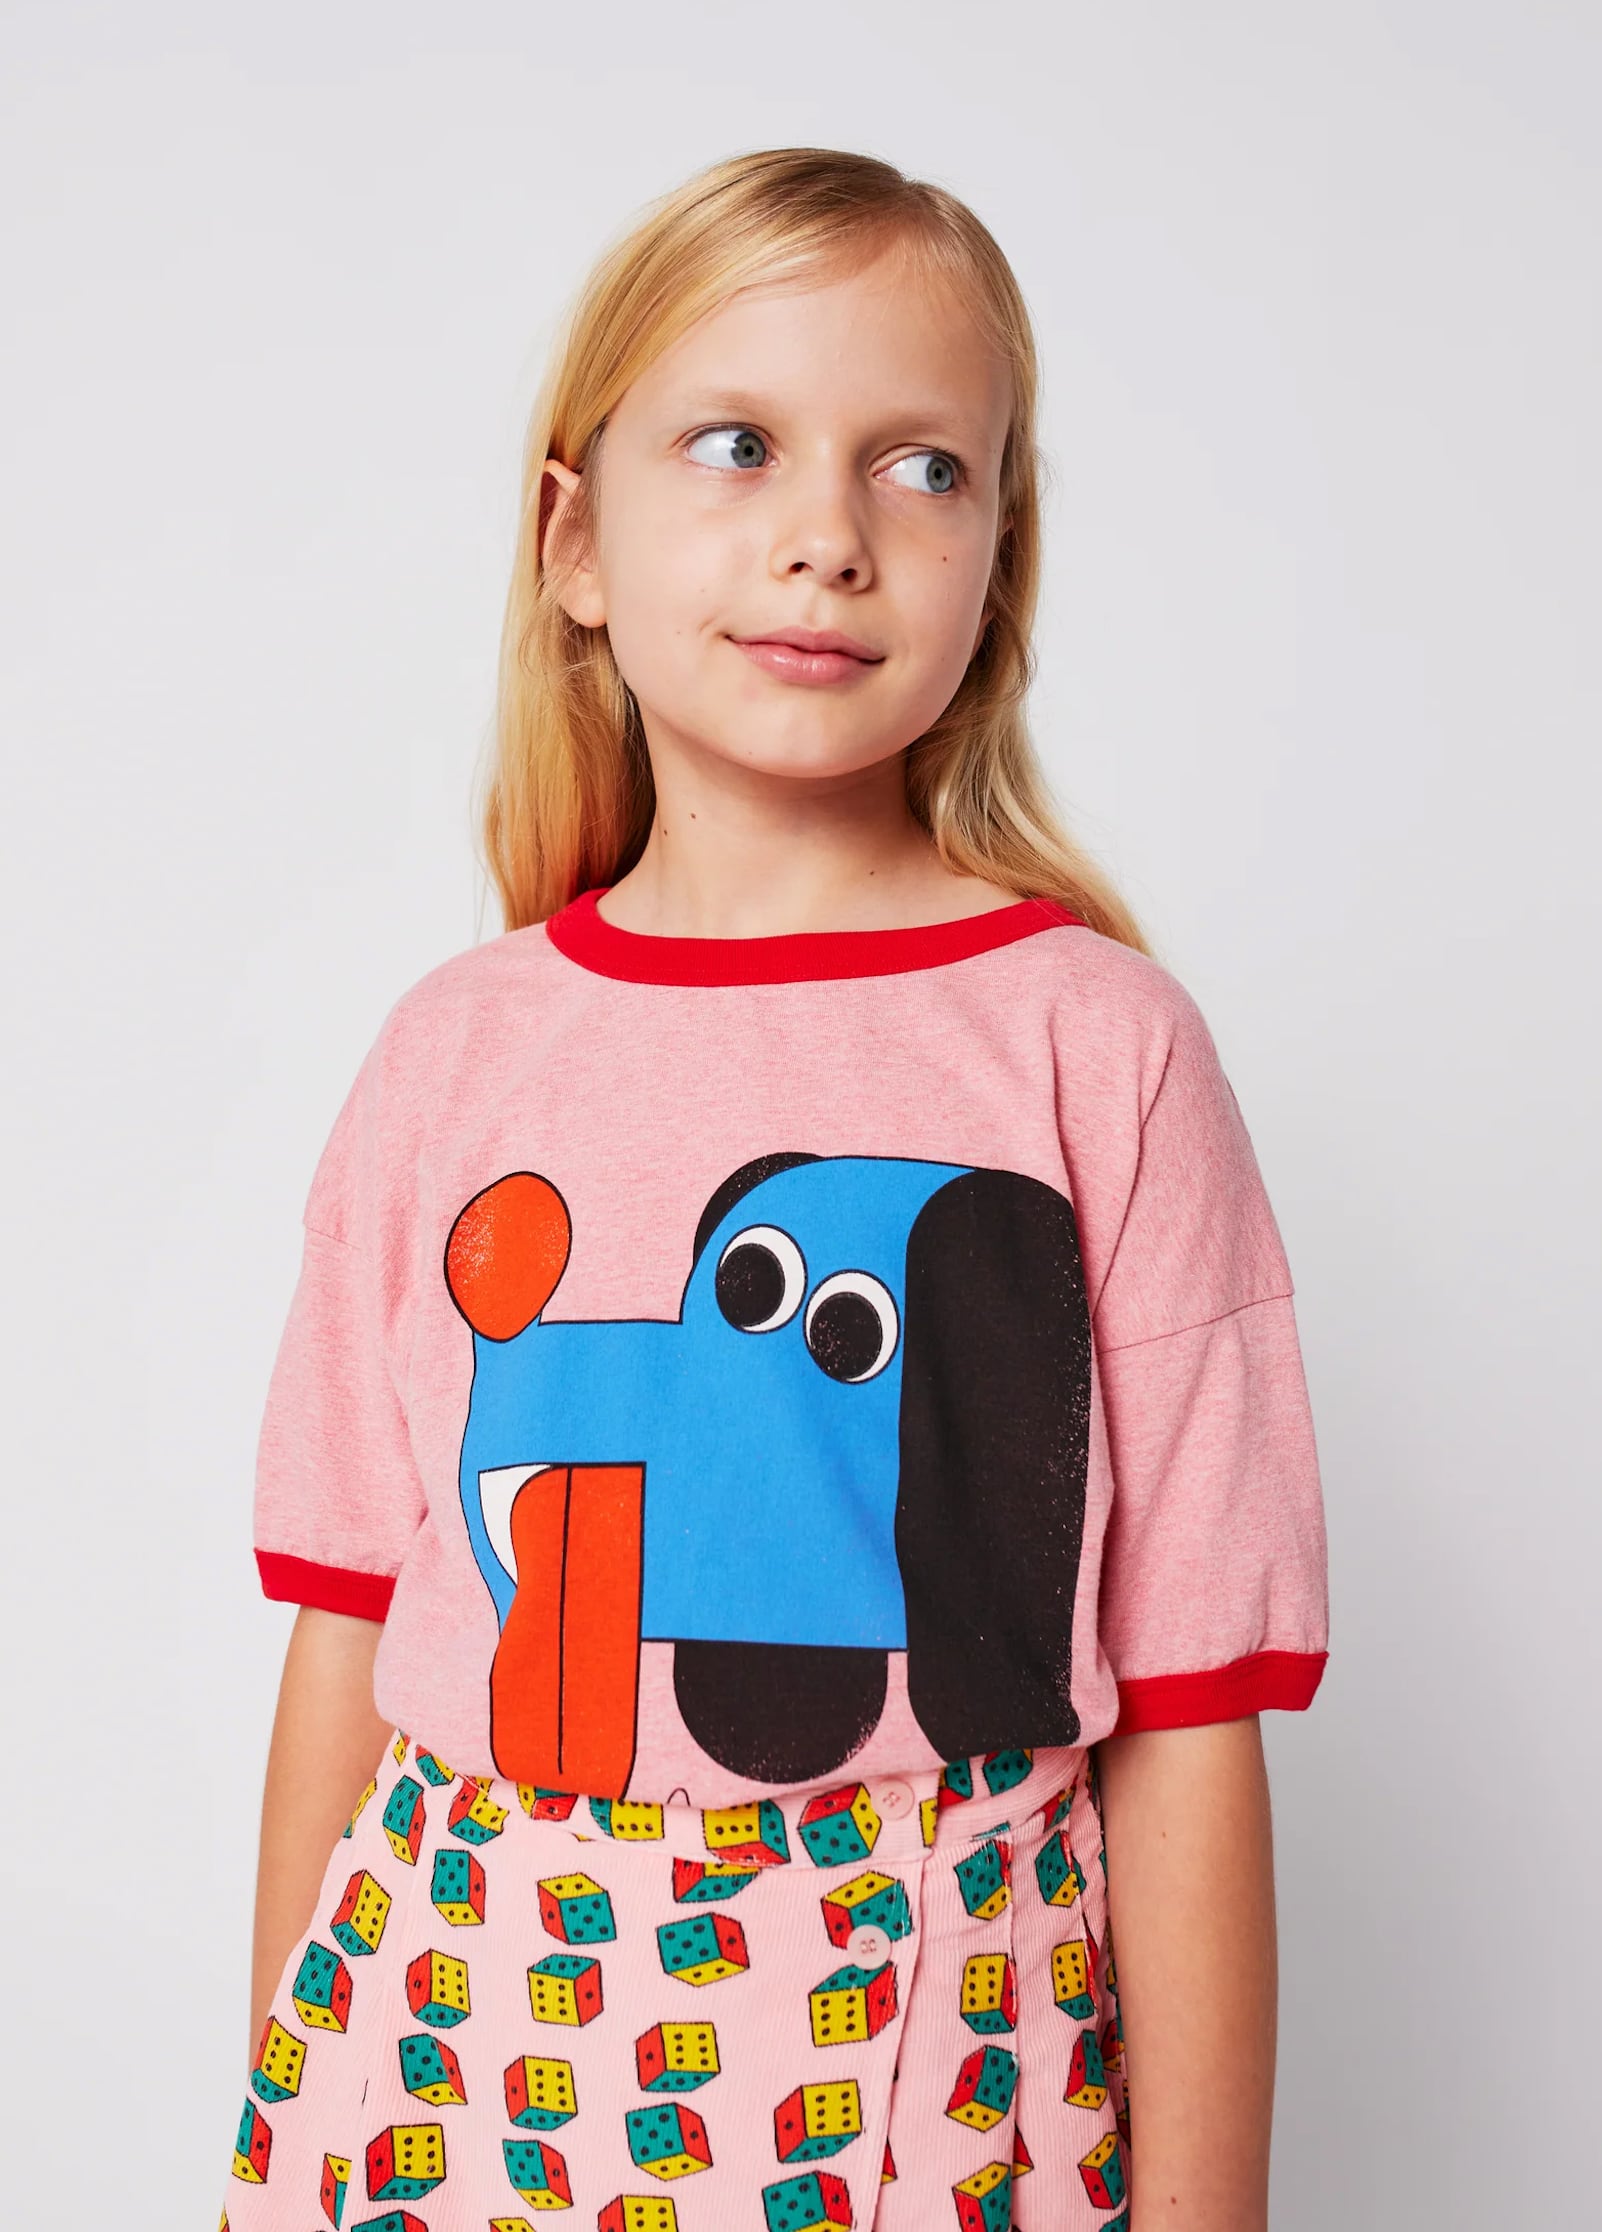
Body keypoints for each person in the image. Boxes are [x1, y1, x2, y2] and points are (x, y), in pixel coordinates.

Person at [221, 146, 1329, 2232]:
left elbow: (1190, 1714)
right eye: (736, 445)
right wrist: (273, 2121)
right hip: (460, 2049)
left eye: (922, 468)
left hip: (929, 2065)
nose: (828, 534)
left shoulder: (1099, 1046)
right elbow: (349, 1627)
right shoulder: (454, 1049)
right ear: (573, 539)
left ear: (997, 564)